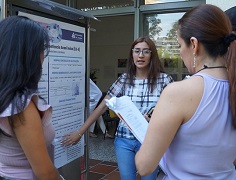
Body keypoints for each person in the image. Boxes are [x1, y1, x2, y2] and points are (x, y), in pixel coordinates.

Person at [135, 4, 236, 179]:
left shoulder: (178, 92)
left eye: (179, 45)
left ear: (194, 44)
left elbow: (144, 166)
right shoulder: (231, 86)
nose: (180, 53)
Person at [62, 36, 174, 179]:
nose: (140, 55)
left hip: (151, 140)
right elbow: (102, 107)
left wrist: (154, 117)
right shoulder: (124, 79)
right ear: (132, 54)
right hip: (124, 141)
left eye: (146, 51)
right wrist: (80, 132)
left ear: (152, 55)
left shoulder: (164, 80)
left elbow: (174, 109)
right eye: (137, 51)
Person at [0, 16, 61, 179]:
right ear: (28, 55)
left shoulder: (5, 95)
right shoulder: (21, 105)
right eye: (40, 49)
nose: (43, 56)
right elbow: (45, 173)